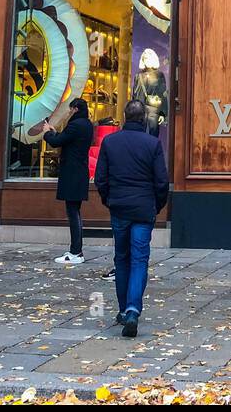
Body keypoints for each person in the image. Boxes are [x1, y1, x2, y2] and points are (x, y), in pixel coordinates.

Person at [94, 99, 169, 338]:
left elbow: (101, 179)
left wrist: (109, 200)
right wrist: (156, 205)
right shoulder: (152, 144)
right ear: (143, 118)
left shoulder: (110, 142)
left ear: (125, 117)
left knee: (122, 258)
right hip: (143, 208)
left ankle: (123, 309)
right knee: (139, 260)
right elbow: (161, 181)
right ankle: (133, 310)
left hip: (120, 207)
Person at [43, 98, 93, 266]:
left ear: (76, 109)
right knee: (75, 211)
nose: (68, 112)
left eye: (70, 109)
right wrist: (55, 132)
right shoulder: (86, 124)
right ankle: (75, 250)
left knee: (73, 213)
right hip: (79, 173)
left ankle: (76, 251)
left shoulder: (76, 125)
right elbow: (67, 139)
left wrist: (47, 133)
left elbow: (57, 141)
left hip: (73, 174)